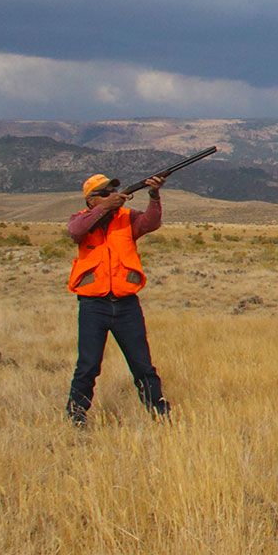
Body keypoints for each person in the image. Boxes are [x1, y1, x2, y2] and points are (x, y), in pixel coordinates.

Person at [64, 170, 172, 427]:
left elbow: (151, 223)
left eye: (113, 191)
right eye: (105, 193)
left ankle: (160, 415)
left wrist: (154, 195)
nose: (112, 196)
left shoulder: (127, 218)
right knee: (88, 366)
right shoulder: (81, 220)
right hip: (94, 305)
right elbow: (75, 231)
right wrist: (105, 209)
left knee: (142, 366)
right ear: (91, 200)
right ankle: (76, 417)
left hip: (126, 305)